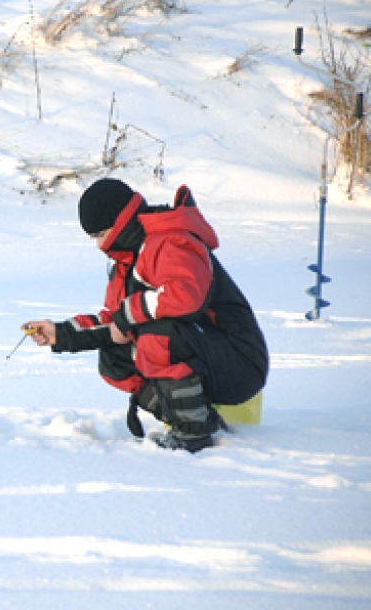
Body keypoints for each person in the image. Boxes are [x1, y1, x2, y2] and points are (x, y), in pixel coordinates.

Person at [24, 179, 268, 452]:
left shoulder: (171, 241)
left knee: (159, 336)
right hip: (203, 357)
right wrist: (62, 334)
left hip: (239, 363)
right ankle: (197, 420)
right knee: (114, 356)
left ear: (120, 223)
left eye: (101, 234)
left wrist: (128, 314)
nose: (99, 245)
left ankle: (192, 435)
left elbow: (184, 297)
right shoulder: (127, 261)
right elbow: (116, 322)